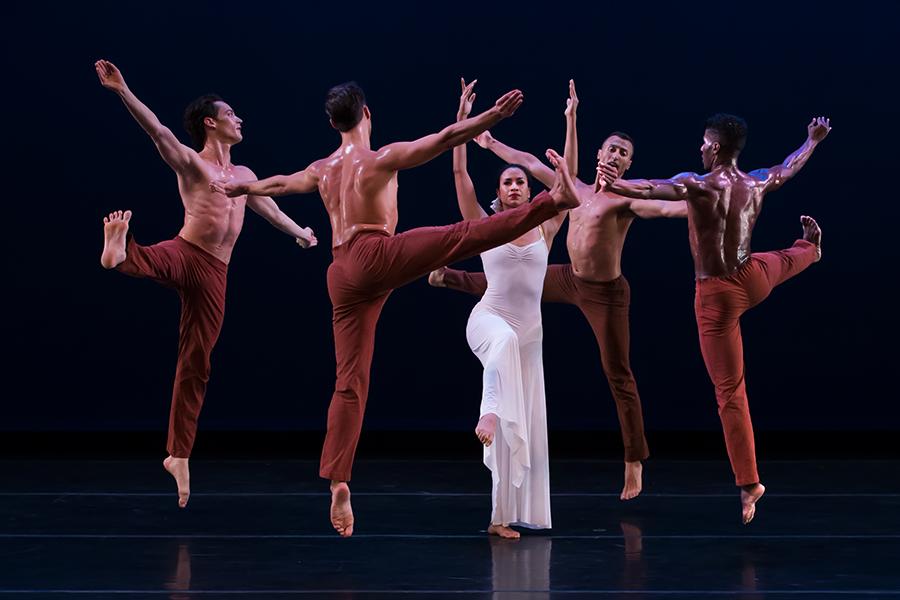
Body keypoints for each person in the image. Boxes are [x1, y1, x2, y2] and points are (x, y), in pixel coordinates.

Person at [210, 80, 581, 537]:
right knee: (458, 236)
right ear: (366, 115)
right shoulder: (378, 157)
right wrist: (492, 119)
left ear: (333, 123)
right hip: (373, 255)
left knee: (349, 382)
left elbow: (282, 184)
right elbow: (443, 139)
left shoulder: (323, 167)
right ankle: (554, 201)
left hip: (340, 275)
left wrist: (241, 188)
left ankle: (339, 480)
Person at [430, 80, 687, 500]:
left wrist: (695, 207)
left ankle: (634, 459)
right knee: (511, 281)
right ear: (599, 155)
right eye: (612, 150)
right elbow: (530, 161)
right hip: (567, 277)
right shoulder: (577, 190)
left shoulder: (624, 198)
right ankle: (448, 277)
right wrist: (492, 142)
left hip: (605, 293)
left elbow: (660, 204)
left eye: (624, 153)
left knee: (617, 372)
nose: (616, 156)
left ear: (628, 163)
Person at [95, 60, 317, 508]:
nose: (239, 119)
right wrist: (123, 90)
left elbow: (269, 211)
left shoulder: (246, 176)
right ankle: (120, 253)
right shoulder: (194, 166)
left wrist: (299, 232)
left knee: (196, 362)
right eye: (231, 114)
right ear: (210, 123)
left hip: (216, 273)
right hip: (187, 252)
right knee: (156, 260)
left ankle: (178, 454)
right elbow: (158, 131)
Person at [606, 113, 830, 523]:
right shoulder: (758, 180)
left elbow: (653, 187)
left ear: (715, 148)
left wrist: (612, 183)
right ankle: (810, 252)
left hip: (717, 298)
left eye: (703, 143)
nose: (700, 148)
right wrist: (812, 141)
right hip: (751, 279)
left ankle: (750, 483)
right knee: (778, 261)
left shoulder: (699, 184)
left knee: (730, 392)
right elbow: (789, 166)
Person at [451, 80, 569, 538]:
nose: (517, 186)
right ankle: (487, 411)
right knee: (499, 353)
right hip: (490, 320)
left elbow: (566, 190)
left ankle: (501, 519)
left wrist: (559, 156)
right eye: (509, 182)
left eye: (521, 180)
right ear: (499, 192)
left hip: (531, 336)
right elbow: (461, 175)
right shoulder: (485, 225)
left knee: (526, 427)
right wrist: (463, 119)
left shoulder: (547, 228)